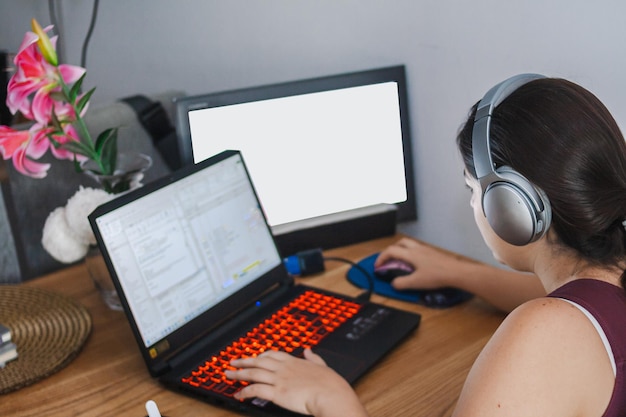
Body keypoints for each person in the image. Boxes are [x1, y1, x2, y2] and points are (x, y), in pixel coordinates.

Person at [226, 75, 626, 416]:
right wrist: (458, 273)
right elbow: (567, 299)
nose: (473, 203)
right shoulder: (607, 276)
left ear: (512, 207)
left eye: (473, 189)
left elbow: (552, 317)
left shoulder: (544, 332)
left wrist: (332, 401)